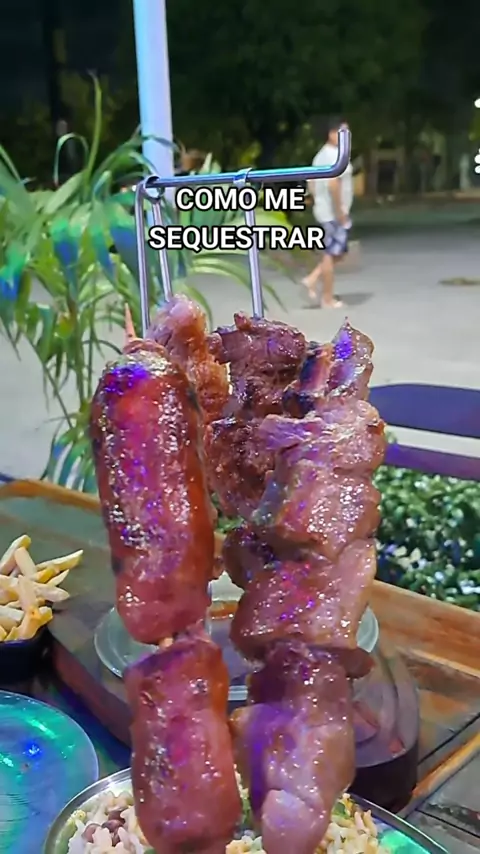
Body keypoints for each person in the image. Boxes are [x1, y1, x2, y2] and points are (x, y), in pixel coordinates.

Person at [302, 117, 353, 308]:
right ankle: (327, 298)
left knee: (337, 252)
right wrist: (340, 211)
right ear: (332, 134)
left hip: (325, 211)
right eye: (344, 132)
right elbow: (333, 184)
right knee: (331, 254)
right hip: (333, 213)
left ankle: (312, 278)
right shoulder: (334, 156)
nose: (348, 137)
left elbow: (311, 181)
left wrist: (318, 200)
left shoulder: (321, 155)